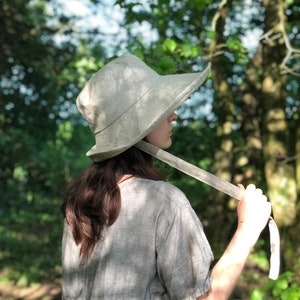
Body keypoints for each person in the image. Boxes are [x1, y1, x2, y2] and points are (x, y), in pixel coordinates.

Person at [61, 54, 272, 299]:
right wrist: (248, 229)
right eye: (160, 109)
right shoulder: (164, 201)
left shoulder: (81, 198)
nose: (174, 115)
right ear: (139, 126)